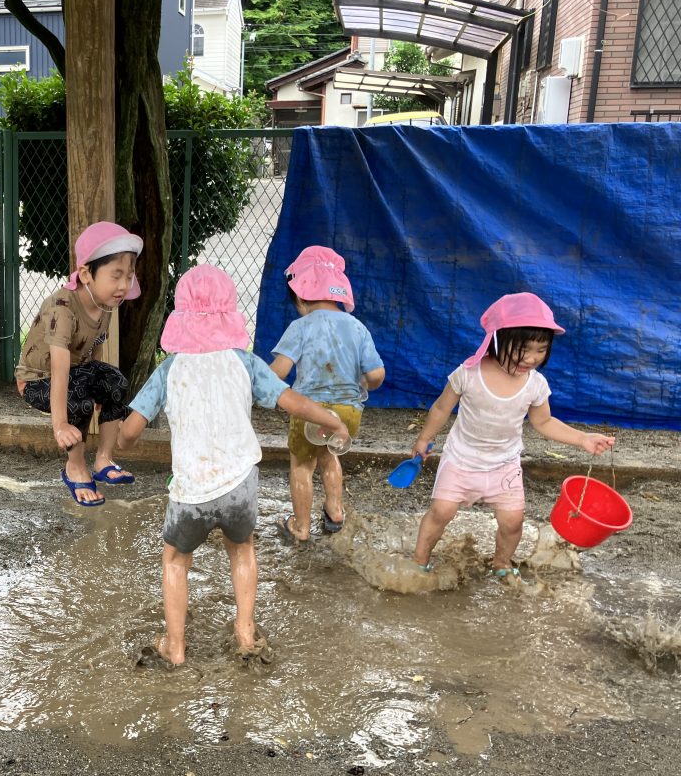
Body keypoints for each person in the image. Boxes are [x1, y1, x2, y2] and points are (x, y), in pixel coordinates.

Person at [117, 265, 349, 667]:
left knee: (175, 560)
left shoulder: (171, 368)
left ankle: (175, 646)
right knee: (242, 550)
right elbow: (290, 400)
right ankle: (244, 630)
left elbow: (132, 430)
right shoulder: (244, 362)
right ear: (229, 314)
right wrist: (330, 419)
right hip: (240, 483)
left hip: (191, 489)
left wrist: (122, 439)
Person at [410, 292, 616, 578]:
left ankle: (502, 564)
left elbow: (544, 422)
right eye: (523, 348)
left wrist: (583, 438)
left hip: (504, 465)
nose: (532, 358)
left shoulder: (535, 384)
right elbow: (442, 408)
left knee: (513, 521)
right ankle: (419, 561)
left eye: (541, 349)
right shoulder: (468, 373)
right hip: (461, 460)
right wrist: (424, 439)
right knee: (442, 511)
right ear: (497, 339)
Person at [15, 221, 140, 506]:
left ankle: (104, 460)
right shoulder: (63, 309)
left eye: (129, 276)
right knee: (78, 399)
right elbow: (59, 373)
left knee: (116, 382)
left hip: (75, 372)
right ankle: (75, 467)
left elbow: (94, 347)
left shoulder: (106, 302)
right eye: (116, 276)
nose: (123, 286)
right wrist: (59, 425)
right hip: (38, 379)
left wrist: (100, 386)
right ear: (86, 274)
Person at [269, 245, 385, 542]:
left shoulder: (301, 327)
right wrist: (365, 385)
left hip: (309, 411)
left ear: (301, 293)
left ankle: (301, 527)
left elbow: (279, 371)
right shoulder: (358, 328)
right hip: (348, 413)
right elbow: (376, 375)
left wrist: (261, 387)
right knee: (329, 455)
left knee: (302, 465)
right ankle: (335, 511)